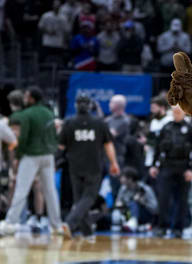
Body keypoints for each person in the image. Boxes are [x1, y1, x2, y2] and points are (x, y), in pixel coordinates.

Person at [0, 87, 62, 235]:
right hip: (48, 156)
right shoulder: (49, 113)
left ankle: (10, 222)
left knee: (21, 189)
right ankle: (56, 225)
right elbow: (55, 135)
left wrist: (19, 157)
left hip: (31, 156)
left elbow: (22, 138)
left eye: (27, 96)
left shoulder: (25, 115)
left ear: (33, 98)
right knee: (50, 191)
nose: (25, 99)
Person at [58, 94, 120, 237]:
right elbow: (108, 144)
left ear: (76, 105)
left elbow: (61, 147)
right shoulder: (100, 123)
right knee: (89, 198)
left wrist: (56, 161)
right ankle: (70, 223)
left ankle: (86, 231)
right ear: (90, 106)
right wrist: (114, 163)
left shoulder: (69, 123)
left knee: (80, 199)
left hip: (74, 166)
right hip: (93, 166)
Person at [149, 105, 192, 238]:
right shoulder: (166, 127)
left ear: (184, 113)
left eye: (179, 112)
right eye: (174, 112)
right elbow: (158, 149)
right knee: (163, 199)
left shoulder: (189, 129)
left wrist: (191, 170)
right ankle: (162, 227)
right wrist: (154, 166)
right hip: (167, 166)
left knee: (182, 200)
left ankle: (178, 229)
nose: (176, 114)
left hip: (183, 167)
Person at [113, 166, 158, 232]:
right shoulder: (123, 188)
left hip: (145, 214)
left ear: (130, 179)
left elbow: (155, 209)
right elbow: (118, 202)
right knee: (113, 214)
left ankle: (133, 224)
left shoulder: (145, 189)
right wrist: (120, 205)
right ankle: (132, 225)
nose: (120, 179)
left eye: (123, 177)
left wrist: (143, 202)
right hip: (128, 213)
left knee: (134, 203)